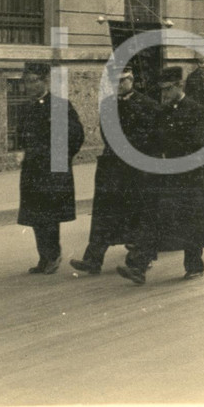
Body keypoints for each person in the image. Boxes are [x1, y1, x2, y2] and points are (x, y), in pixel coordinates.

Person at [117, 66, 204, 284]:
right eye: (162, 90)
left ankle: (194, 265)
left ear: (180, 86)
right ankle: (139, 267)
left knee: (190, 222)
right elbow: (153, 139)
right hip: (164, 175)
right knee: (153, 219)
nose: (164, 94)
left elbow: (198, 142)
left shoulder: (197, 111)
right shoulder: (162, 112)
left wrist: (169, 147)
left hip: (188, 177)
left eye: (168, 89)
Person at [71, 65, 159, 275]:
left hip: (137, 168)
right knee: (104, 214)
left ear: (132, 80)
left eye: (123, 80)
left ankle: (140, 259)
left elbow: (152, 135)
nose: (118, 85)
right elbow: (105, 132)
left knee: (138, 213)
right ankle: (93, 260)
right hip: (112, 167)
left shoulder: (147, 104)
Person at [17, 62, 85, 275]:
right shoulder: (26, 108)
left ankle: (53, 255)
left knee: (49, 215)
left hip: (52, 170)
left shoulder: (60, 106)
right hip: (32, 170)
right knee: (35, 216)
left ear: (45, 81)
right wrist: (21, 151)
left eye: (32, 81)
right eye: (26, 81)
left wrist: (60, 159)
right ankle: (44, 257)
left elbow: (76, 136)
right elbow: (21, 135)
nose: (28, 86)